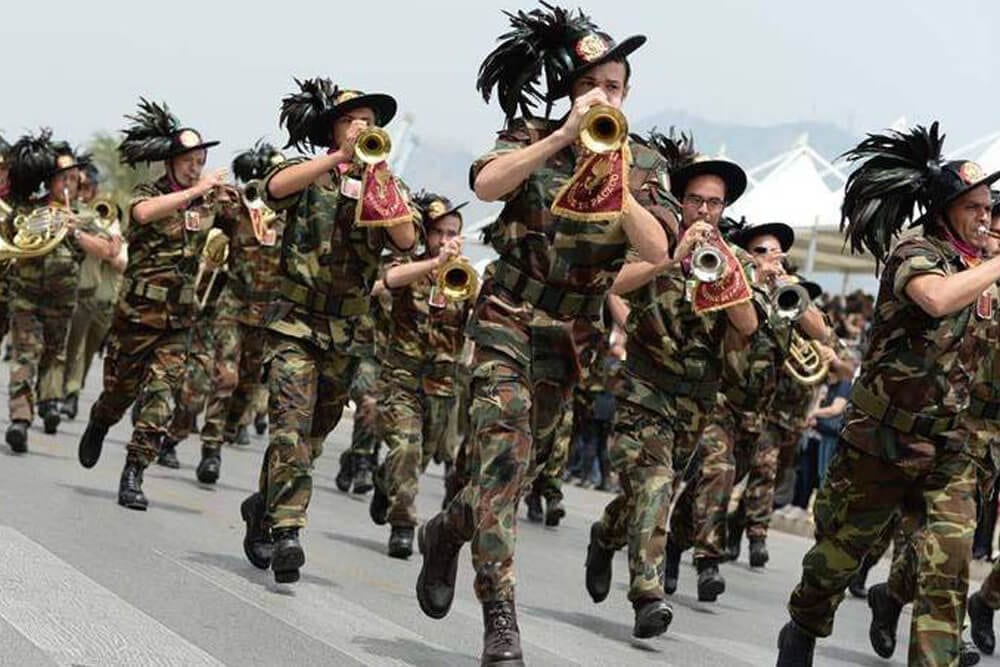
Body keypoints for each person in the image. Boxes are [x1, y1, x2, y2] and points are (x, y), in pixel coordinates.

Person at [414, 7, 669, 664]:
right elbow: (486, 182)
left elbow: (658, 251)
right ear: (570, 90)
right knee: (501, 464)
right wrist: (562, 139)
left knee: (514, 478)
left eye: (614, 87)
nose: (603, 97)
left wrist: (615, 178)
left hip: (569, 337)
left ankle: (446, 530)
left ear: (628, 94)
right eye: (592, 86)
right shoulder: (530, 135)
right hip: (506, 319)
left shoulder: (642, 161)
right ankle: (501, 617)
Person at [777, 122, 1000, 667]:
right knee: (840, 557)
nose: (985, 218)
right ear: (944, 209)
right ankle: (802, 627)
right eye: (973, 208)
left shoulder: (983, 272)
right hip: (883, 439)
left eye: (988, 208)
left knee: (946, 570)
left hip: (950, 450)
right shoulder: (915, 251)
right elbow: (937, 299)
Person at [238, 77, 417, 585]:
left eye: (368, 122)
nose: (361, 127)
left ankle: (264, 507)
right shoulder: (307, 173)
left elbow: (406, 241)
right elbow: (273, 189)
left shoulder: (387, 185)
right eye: (350, 120)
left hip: (346, 331)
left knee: (312, 440)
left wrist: (379, 180)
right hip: (295, 323)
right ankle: (289, 531)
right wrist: (336, 158)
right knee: (290, 430)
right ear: (333, 128)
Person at [584, 128, 759, 631]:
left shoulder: (737, 261)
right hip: (644, 387)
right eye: (697, 201)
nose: (705, 211)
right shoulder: (653, 244)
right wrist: (673, 258)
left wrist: (725, 274)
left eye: (715, 204)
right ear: (680, 201)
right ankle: (646, 593)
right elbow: (611, 283)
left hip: (697, 401)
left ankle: (606, 535)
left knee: (648, 494)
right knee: (656, 486)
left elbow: (747, 326)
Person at [77, 99, 232, 511]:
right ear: (170, 161)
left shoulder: (209, 202)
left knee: (162, 397)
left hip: (179, 321)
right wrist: (197, 192)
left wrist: (238, 202)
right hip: (137, 316)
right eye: (186, 160)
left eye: (199, 160)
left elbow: (252, 227)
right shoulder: (150, 193)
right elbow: (143, 215)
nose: (194, 167)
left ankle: (134, 472)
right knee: (120, 392)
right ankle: (100, 420)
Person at [368, 192, 473, 558]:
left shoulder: (464, 276)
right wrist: (432, 264)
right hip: (402, 378)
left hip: (442, 386)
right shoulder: (406, 263)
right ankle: (403, 525)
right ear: (426, 234)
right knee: (406, 449)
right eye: (438, 233)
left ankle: (384, 482)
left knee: (420, 457)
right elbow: (387, 279)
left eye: (452, 233)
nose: (445, 240)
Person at [4, 131, 120, 451]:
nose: (69, 184)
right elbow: (12, 239)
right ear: (50, 181)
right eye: (63, 178)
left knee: (53, 354)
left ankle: (49, 401)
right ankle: (20, 420)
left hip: (62, 300)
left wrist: (75, 233)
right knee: (26, 354)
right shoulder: (29, 210)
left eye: (73, 178)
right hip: (27, 296)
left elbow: (109, 249)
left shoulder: (82, 216)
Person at [61, 163, 128, 421]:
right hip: (73, 290)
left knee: (85, 351)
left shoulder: (106, 217)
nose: (85, 191)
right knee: (67, 347)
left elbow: (118, 258)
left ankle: (72, 392)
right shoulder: (71, 210)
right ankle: (63, 391)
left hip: (100, 300)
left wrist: (101, 244)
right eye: (82, 185)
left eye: (89, 186)